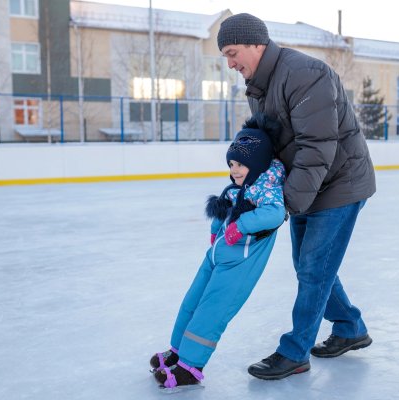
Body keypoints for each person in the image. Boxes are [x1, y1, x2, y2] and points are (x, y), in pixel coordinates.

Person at [216, 13, 377, 380]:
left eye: (233, 52)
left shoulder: (304, 74)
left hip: (339, 182)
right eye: (225, 56)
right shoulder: (260, 85)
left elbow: (317, 147)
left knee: (313, 268)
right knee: (309, 266)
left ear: (256, 44)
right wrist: (253, 186)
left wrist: (282, 206)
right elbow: (270, 145)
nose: (230, 63)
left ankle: (295, 351)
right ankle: (350, 327)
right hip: (308, 183)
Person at [150, 114, 287, 391]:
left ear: (258, 163)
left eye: (241, 164)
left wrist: (243, 225)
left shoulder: (266, 190)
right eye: (232, 164)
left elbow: (275, 214)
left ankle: (191, 366)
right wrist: (216, 229)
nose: (235, 170)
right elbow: (224, 208)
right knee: (192, 302)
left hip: (238, 265)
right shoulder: (238, 187)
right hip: (216, 255)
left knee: (211, 312)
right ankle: (177, 351)